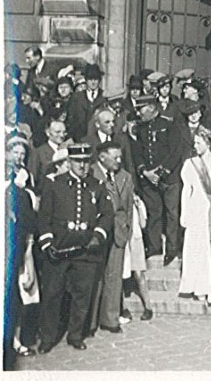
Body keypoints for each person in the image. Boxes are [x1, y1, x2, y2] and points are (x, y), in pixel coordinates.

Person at [36, 144, 115, 353]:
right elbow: (44, 217)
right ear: (69, 162)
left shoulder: (96, 185)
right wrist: (47, 242)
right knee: (53, 294)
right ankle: (47, 338)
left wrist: (98, 236)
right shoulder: (54, 184)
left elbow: (107, 214)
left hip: (85, 251)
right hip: (59, 250)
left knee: (82, 296)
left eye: (86, 161)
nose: (82, 165)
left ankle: (75, 335)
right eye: (78, 161)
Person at [178, 126, 211, 305]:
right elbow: (186, 190)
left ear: (208, 143)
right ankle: (198, 286)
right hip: (197, 209)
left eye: (199, 143)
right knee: (198, 247)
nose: (196, 146)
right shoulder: (190, 164)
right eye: (194, 143)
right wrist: (184, 214)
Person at [130, 96, 185, 265]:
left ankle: (171, 250)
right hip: (149, 179)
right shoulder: (140, 129)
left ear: (152, 108)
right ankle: (154, 248)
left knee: (172, 214)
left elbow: (176, 152)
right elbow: (137, 152)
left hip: (169, 179)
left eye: (142, 109)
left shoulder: (169, 125)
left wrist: (160, 173)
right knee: (154, 213)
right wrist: (145, 172)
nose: (139, 113)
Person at [87, 141, 134, 335]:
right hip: (97, 233)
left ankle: (110, 319)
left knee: (114, 278)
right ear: (102, 157)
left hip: (118, 233)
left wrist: (127, 229)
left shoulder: (125, 177)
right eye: (115, 157)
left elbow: (129, 207)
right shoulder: (90, 174)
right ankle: (89, 323)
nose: (119, 161)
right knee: (94, 277)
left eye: (120, 157)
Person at [4, 136, 39, 365]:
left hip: (20, 242)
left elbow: (31, 210)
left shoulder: (27, 177)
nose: (19, 157)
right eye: (15, 152)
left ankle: (17, 340)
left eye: (22, 154)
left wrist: (29, 243)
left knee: (22, 292)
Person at [121, 193, 154, 323]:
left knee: (139, 274)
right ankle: (123, 308)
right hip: (123, 240)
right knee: (121, 275)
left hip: (136, 239)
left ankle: (148, 307)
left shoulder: (137, 202)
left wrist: (139, 206)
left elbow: (143, 224)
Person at [67, 64, 107, 141]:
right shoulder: (76, 97)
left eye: (95, 79)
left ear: (99, 80)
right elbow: (70, 119)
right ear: (85, 80)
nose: (93, 82)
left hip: (99, 140)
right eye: (90, 79)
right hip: (79, 139)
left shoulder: (104, 97)